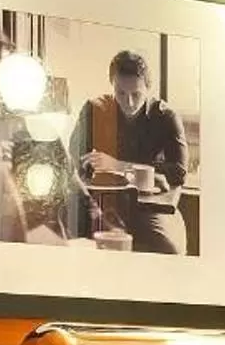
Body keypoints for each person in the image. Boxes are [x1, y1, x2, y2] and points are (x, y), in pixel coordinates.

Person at [68, 49, 188, 254]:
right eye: (121, 93)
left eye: (136, 94)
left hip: (149, 205)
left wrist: (118, 165)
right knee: (68, 242)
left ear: (148, 88)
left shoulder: (166, 116)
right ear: (112, 85)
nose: (129, 102)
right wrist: (88, 166)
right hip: (103, 201)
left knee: (168, 249)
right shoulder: (94, 109)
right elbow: (73, 159)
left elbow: (179, 172)